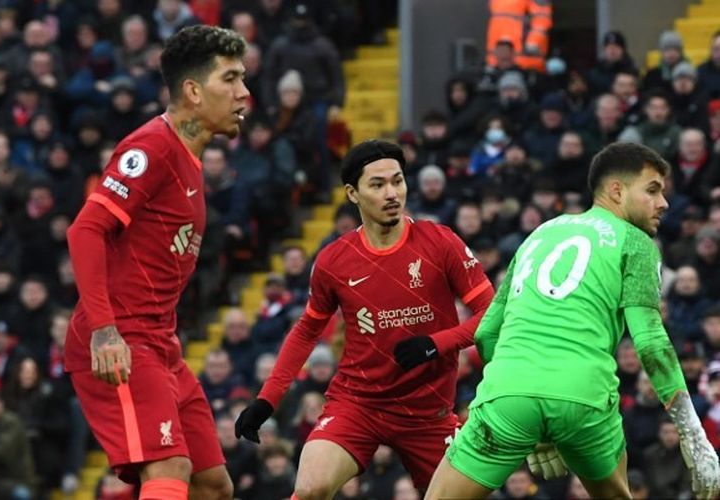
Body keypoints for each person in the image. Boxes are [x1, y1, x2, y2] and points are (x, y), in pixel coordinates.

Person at [425, 142, 720, 499]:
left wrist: (523, 395)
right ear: (617, 190)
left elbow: (487, 331)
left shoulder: (541, 233)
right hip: (583, 397)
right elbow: (650, 342)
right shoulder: (636, 243)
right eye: (653, 190)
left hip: (508, 393)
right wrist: (693, 432)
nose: (664, 203)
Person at [235, 139, 495, 499]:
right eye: (377, 184)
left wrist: (436, 344)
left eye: (398, 181)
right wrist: (267, 400)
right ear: (352, 193)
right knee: (310, 488)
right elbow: (307, 330)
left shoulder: (441, 242)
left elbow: (493, 314)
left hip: (428, 414)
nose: (392, 193)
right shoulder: (333, 260)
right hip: (358, 405)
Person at [64, 25, 250, 500]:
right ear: (192, 90)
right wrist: (105, 330)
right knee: (169, 464)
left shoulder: (187, 159)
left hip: (161, 344)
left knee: (212, 484)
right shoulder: (151, 149)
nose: (243, 92)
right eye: (229, 79)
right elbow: (85, 230)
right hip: (121, 339)